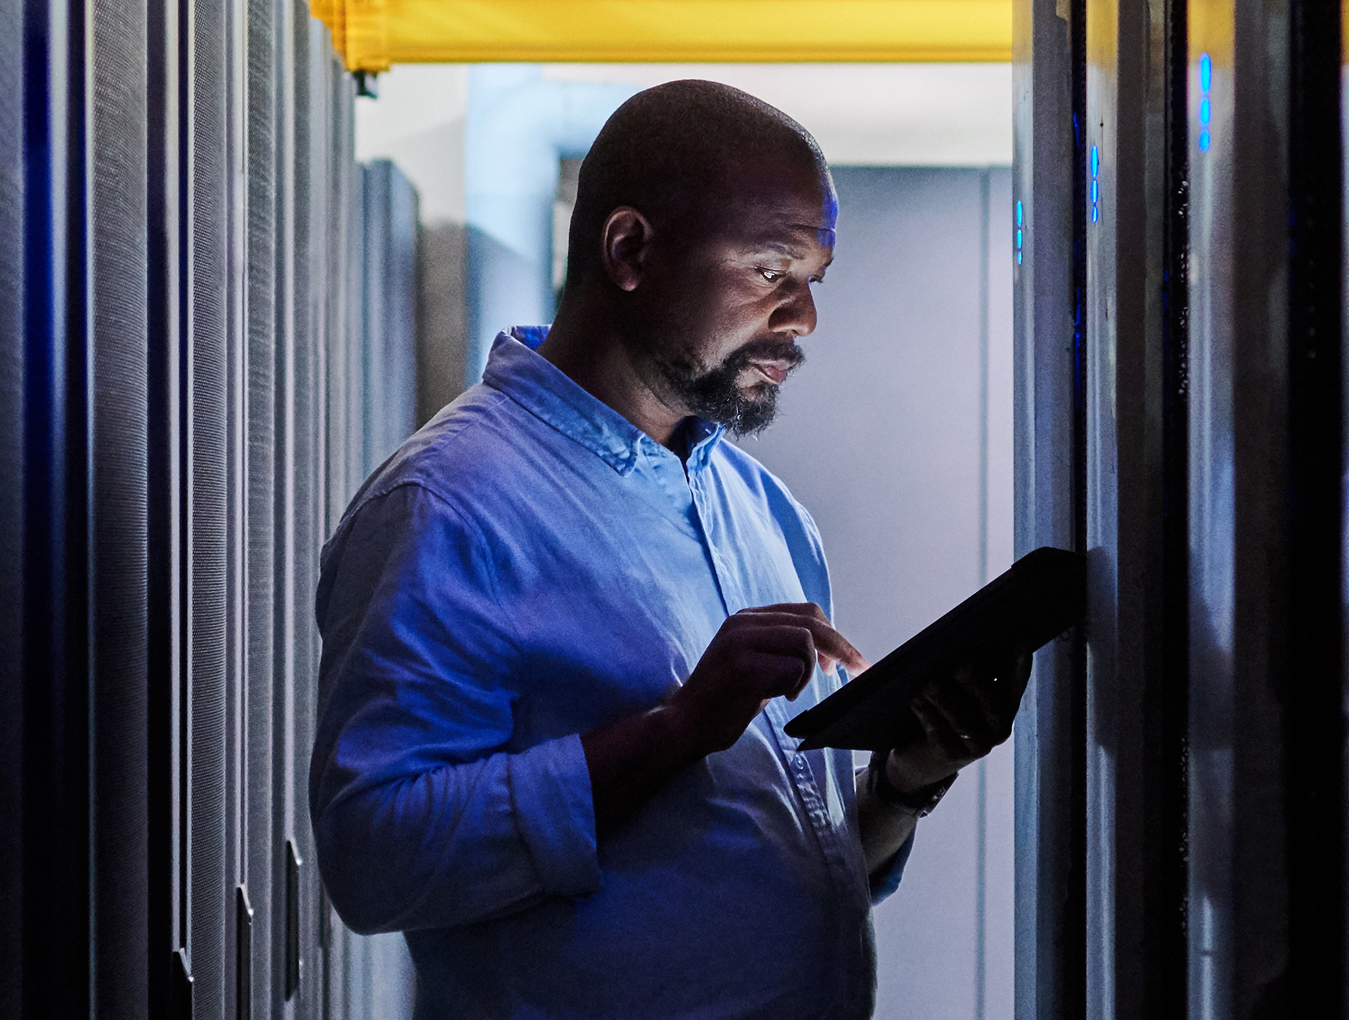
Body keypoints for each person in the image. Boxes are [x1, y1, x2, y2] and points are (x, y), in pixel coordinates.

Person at [310, 80, 1020, 1019]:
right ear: (629, 250)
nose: (803, 318)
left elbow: (780, 861)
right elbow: (374, 859)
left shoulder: (763, 512)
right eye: (772, 271)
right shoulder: (446, 503)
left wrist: (903, 782)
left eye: (814, 279)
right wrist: (674, 729)